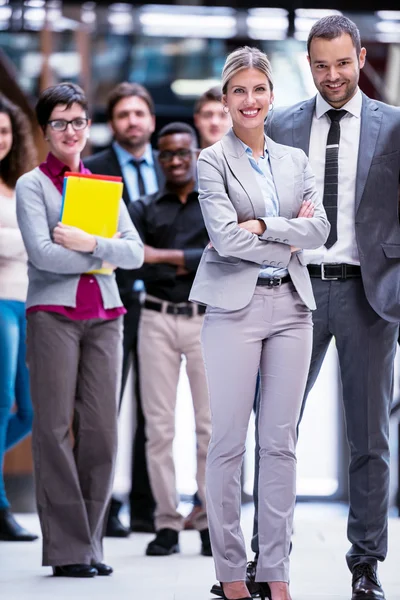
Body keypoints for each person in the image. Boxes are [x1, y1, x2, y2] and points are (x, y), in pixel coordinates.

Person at [218, 15, 400, 600]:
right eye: (320, 65)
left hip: (369, 294)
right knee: (276, 430)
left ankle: (366, 566)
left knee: (369, 437)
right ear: (308, 63)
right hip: (293, 288)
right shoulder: (285, 123)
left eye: (342, 63)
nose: (332, 75)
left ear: (361, 56)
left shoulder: (394, 126)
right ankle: (268, 562)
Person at [190, 47, 329, 600]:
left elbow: (320, 231)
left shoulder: (295, 160)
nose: (250, 100)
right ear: (226, 99)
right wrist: (284, 232)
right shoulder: (210, 161)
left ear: (272, 97)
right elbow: (224, 239)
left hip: (293, 308)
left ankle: (275, 572)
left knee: (281, 444)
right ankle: (230, 572)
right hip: (233, 311)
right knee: (227, 443)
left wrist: (263, 224)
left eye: (259, 90)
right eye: (239, 91)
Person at [15, 82, 144, 577]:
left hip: (107, 317)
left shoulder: (102, 186)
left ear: (89, 127)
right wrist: (102, 254)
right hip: (53, 316)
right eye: (60, 123)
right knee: (52, 430)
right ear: (46, 130)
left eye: (79, 121)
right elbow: (42, 256)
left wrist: (89, 241)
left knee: (102, 434)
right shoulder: (33, 185)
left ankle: (91, 545)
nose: (71, 131)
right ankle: (68, 550)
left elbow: (133, 253)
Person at [85, 82, 164, 537]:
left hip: (157, 302)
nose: (132, 121)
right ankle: (102, 507)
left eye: (139, 113)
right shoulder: (94, 171)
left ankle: (145, 507)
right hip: (109, 300)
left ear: (150, 120)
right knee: (102, 409)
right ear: (112, 124)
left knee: (153, 411)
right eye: (122, 115)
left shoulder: (176, 166)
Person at [129, 122, 212, 557]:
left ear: (196, 153)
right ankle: (165, 522)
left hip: (206, 320)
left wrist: (165, 257)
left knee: (209, 428)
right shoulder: (142, 207)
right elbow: (135, 264)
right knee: (158, 428)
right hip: (155, 319)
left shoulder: (214, 204)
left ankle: (205, 519)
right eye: (167, 154)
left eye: (183, 152)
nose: (176, 161)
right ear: (158, 158)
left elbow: (220, 258)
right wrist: (184, 263)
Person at [0, 94, 37, 542]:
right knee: (3, 401)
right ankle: (2, 505)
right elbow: (35, 240)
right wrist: (29, 238)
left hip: (28, 302)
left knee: (30, 411)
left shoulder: (21, 184)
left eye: (6, 130)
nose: (0, 139)